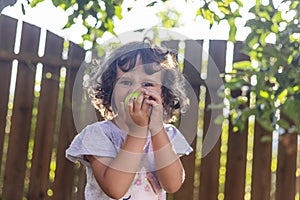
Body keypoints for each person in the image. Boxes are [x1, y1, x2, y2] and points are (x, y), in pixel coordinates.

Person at [66, 38, 193, 200]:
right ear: (110, 89)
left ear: (163, 94)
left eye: (147, 84)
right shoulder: (98, 135)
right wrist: (138, 130)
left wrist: (157, 130)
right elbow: (115, 189)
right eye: (126, 82)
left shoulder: (167, 135)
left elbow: (172, 184)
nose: (136, 90)